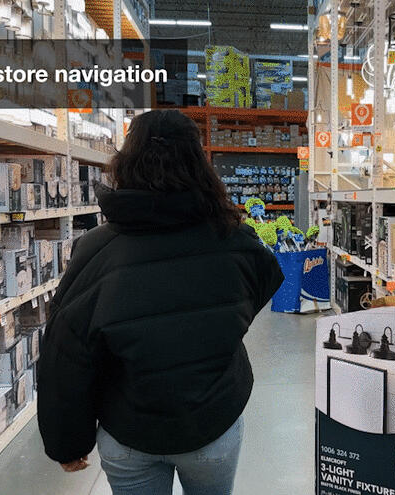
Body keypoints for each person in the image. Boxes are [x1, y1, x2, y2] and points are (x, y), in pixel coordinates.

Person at [37, 109, 285, 494]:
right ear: (200, 164)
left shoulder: (96, 250)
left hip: (130, 429)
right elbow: (266, 278)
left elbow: (65, 351)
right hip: (212, 423)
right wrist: (220, 325)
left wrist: (66, 442)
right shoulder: (233, 238)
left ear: (126, 162)